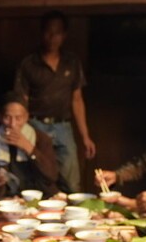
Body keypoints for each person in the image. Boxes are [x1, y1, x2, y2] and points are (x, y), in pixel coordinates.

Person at [13, 10, 95, 192]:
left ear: (64, 35)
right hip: (36, 125)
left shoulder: (71, 62)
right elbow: (21, 101)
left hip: (63, 126)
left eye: (57, 33)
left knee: (71, 181)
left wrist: (85, 136)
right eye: (49, 32)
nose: (52, 37)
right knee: (40, 178)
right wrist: (22, 130)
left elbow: (77, 100)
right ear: (42, 33)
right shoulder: (29, 63)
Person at [0, 92, 68, 201]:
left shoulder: (41, 139)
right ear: (0, 118)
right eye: (7, 117)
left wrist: (29, 148)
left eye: (18, 118)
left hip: (41, 196)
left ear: (26, 117)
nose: (12, 124)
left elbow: (52, 176)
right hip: (8, 199)